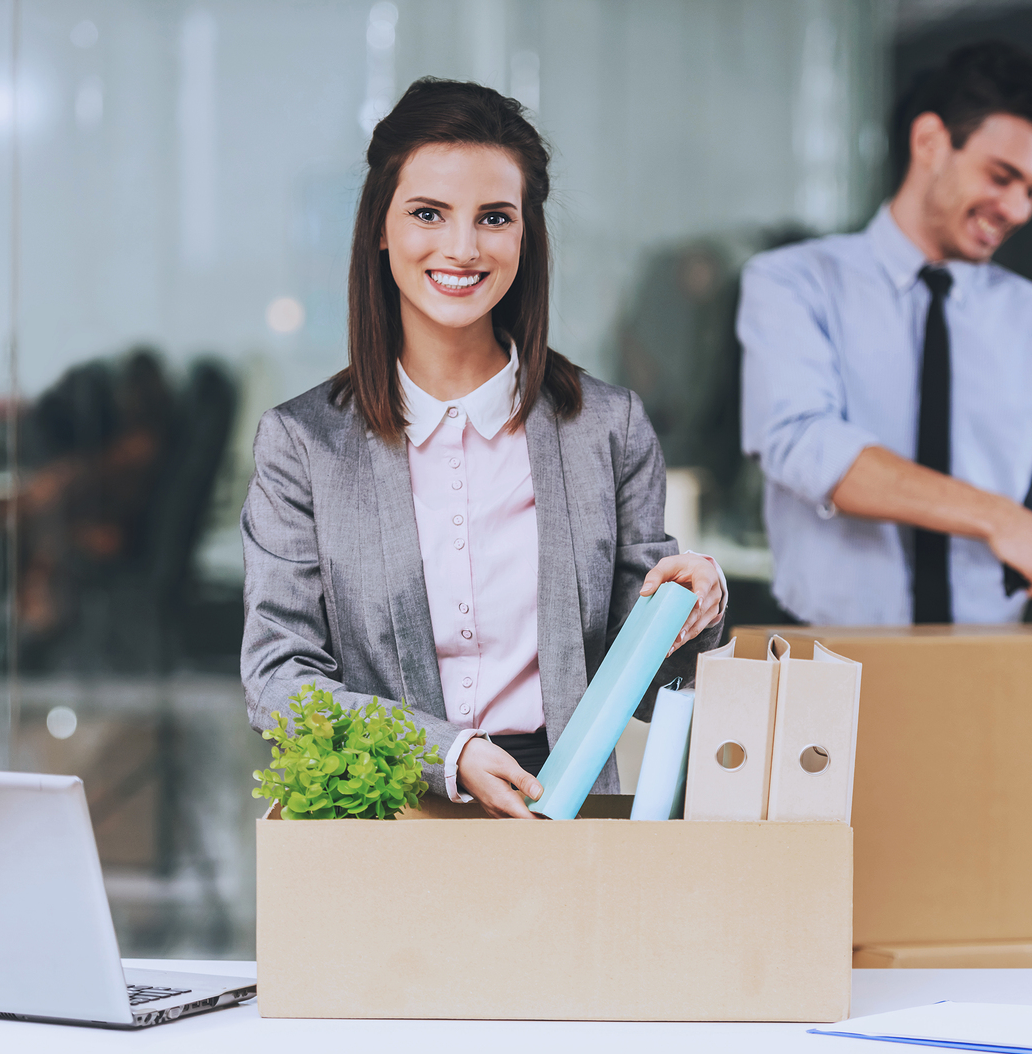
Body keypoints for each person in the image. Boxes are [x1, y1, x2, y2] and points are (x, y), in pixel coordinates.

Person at [240, 79, 727, 819]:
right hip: (384, 816)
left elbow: (656, 688)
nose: (462, 248)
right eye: (429, 213)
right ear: (381, 226)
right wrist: (445, 753)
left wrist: (695, 608)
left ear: (524, 235)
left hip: (561, 817)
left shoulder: (608, 428)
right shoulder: (302, 445)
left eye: (494, 217)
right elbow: (278, 680)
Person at [740, 40, 1032, 630]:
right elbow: (803, 442)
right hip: (827, 656)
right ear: (930, 144)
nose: (1018, 208)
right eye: (1002, 176)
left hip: (985, 663)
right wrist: (997, 517)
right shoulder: (792, 283)